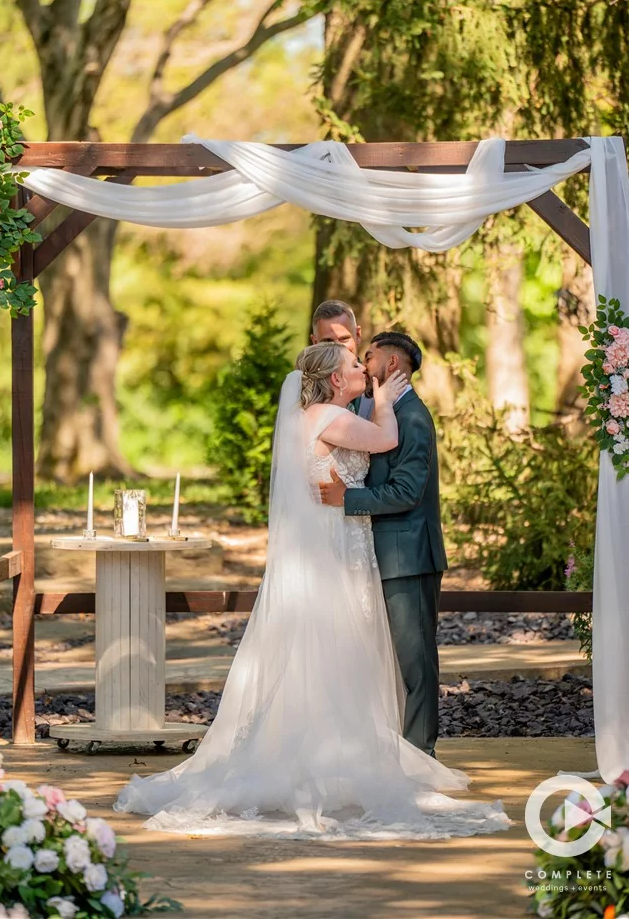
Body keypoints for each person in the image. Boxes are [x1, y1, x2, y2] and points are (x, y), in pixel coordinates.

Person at [115, 343, 509, 840]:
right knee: (334, 648)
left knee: (339, 652)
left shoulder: (323, 413)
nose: (360, 368)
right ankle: (327, 759)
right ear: (333, 380)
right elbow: (385, 440)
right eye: (351, 366)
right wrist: (386, 398)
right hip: (333, 544)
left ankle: (339, 753)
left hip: (339, 539)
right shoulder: (326, 414)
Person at [319, 331, 446, 758]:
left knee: (415, 662)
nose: (363, 362)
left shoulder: (411, 417)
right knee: (394, 663)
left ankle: (421, 755)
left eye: (368, 357)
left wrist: (347, 499)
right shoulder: (382, 410)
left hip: (408, 554)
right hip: (382, 552)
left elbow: (407, 491)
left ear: (392, 365)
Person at [311, 299, 373, 418]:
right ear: (315, 342)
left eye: (344, 339)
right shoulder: (304, 388)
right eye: (328, 341)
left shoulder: (379, 382)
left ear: (358, 335)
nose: (338, 349)